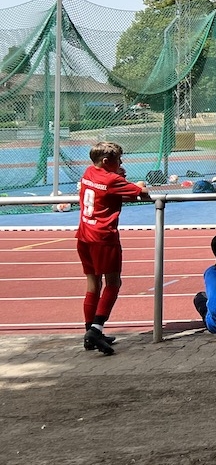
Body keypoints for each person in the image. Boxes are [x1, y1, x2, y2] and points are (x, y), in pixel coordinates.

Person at [76, 140, 151, 354]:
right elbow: (141, 191)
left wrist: (120, 177)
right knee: (113, 283)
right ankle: (96, 329)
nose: (121, 163)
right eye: (118, 160)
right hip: (104, 237)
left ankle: (90, 331)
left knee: (93, 284)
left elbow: (110, 189)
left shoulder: (88, 172)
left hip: (84, 235)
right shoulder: (112, 180)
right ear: (107, 161)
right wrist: (134, 182)